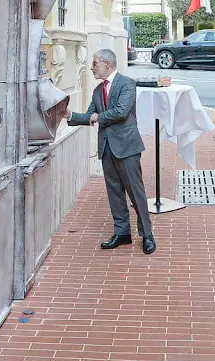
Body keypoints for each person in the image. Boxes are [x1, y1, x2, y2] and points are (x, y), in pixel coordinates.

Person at [65, 49, 157, 254]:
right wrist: (68, 114)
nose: (92, 67)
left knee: (136, 192)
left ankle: (147, 234)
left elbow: (121, 112)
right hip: (107, 147)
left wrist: (97, 118)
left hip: (127, 147)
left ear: (108, 64)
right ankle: (122, 232)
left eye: (95, 63)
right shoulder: (98, 91)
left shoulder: (127, 84)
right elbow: (89, 115)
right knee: (114, 193)